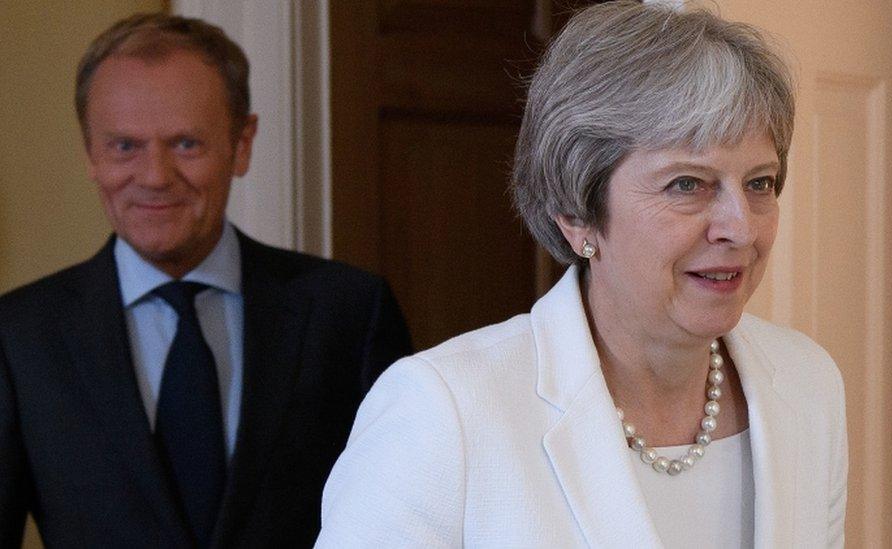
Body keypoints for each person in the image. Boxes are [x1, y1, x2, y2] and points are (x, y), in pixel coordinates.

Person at [315, 1, 847, 547]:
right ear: (576, 215)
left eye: (760, 183)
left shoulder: (808, 384)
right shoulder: (443, 410)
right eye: (687, 184)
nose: (741, 227)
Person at [0, 13, 412, 549]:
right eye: (125, 146)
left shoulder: (350, 313)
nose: (154, 176)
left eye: (186, 144)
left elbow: (401, 526)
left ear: (241, 145)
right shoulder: (19, 337)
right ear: (90, 154)